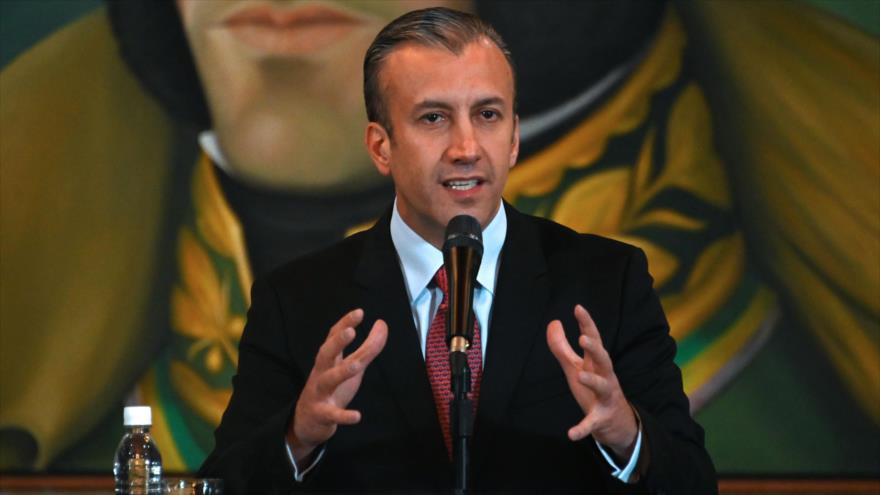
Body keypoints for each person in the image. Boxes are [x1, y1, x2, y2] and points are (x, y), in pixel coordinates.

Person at [199, 8, 716, 494]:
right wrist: (298, 436)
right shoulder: (297, 299)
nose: (467, 147)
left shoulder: (608, 280)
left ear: (513, 138)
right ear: (381, 146)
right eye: (433, 118)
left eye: (488, 114)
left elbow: (693, 480)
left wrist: (627, 435)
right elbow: (221, 482)